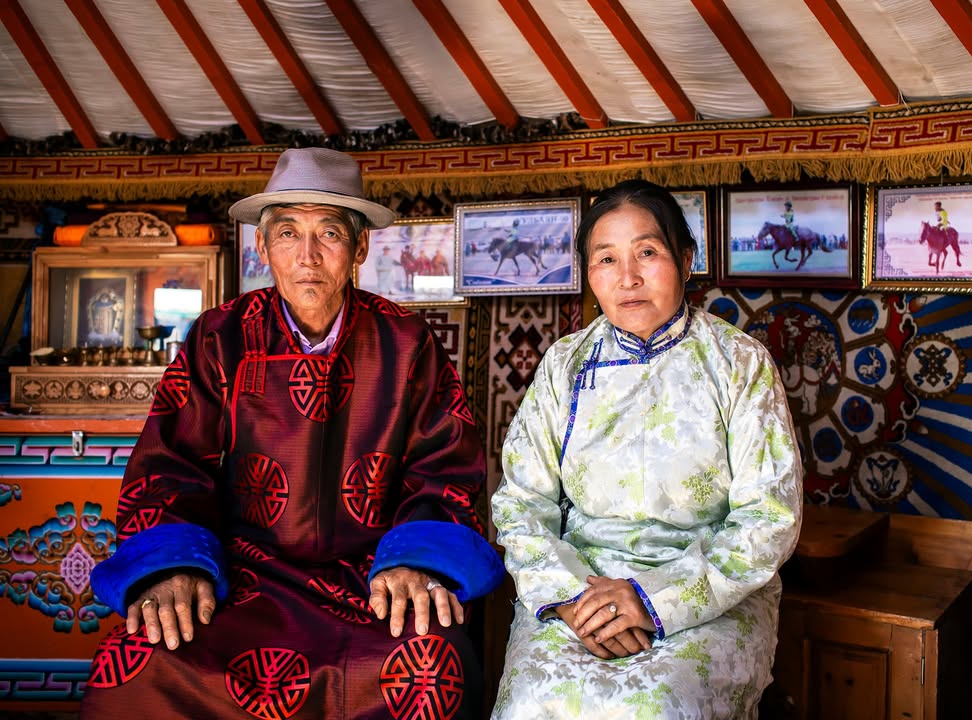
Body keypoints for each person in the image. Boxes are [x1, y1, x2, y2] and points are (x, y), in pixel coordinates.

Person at [82, 147, 503, 719]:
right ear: (263, 247)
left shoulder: (406, 342)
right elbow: (171, 465)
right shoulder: (217, 338)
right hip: (239, 577)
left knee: (432, 667)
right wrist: (175, 566)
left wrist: (417, 561)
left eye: (328, 233)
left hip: (372, 580)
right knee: (139, 660)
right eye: (287, 233)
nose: (307, 256)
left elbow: (444, 468)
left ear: (358, 248)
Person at [490, 179, 803, 719]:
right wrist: (570, 599)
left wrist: (652, 601)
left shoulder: (739, 365)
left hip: (705, 595)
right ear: (589, 274)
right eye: (606, 259)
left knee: (655, 708)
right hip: (578, 591)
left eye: (648, 253)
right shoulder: (565, 365)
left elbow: (769, 518)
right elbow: (520, 503)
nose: (628, 277)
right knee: (532, 702)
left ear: (685, 260)